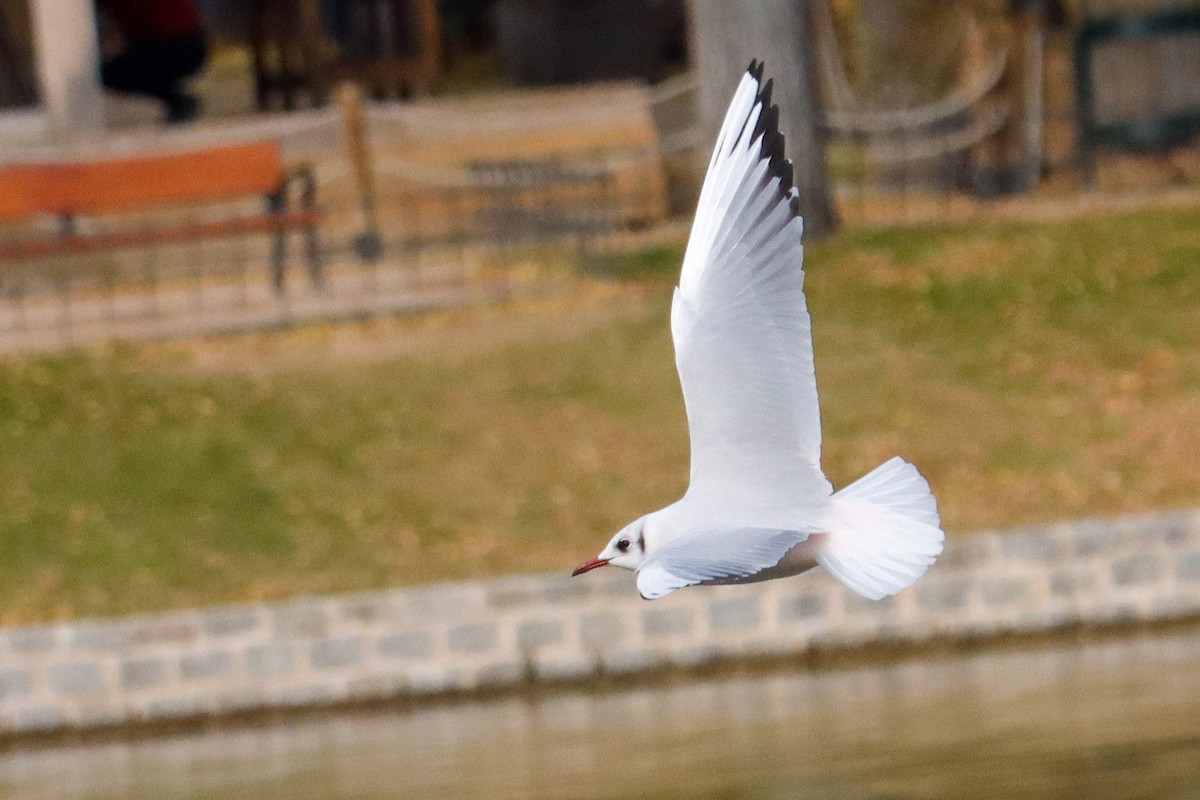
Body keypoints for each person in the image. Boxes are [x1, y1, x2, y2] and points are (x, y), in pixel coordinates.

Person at [96, 0, 209, 123]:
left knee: (102, 74)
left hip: (173, 45)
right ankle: (175, 100)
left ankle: (176, 100)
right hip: (191, 43)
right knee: (107, 73)